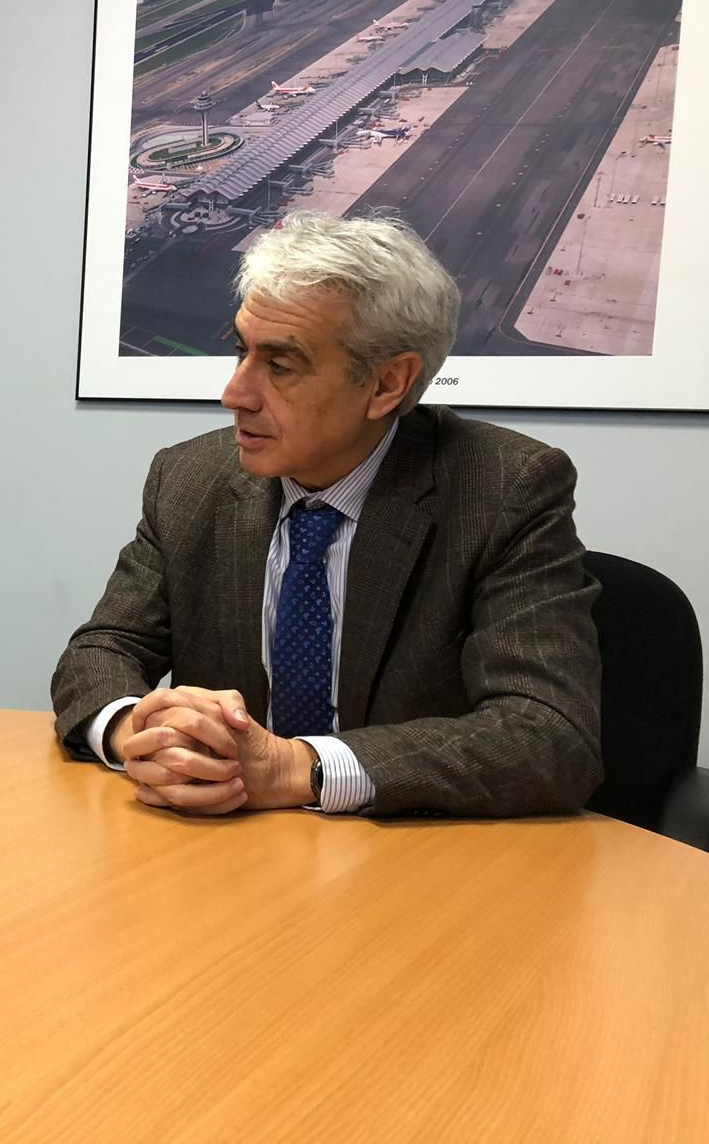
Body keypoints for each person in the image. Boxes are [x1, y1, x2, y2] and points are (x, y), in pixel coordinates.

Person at [51, 211, 602, 818]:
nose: (235, 393)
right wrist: (138, 730)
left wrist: (299, 768)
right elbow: (102, 649)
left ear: (387, 384)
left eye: (280, 365)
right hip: (222, 849)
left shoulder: (502, 489)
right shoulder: (189, 478)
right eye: (241, 351)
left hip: (413, 860)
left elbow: (547, 733)